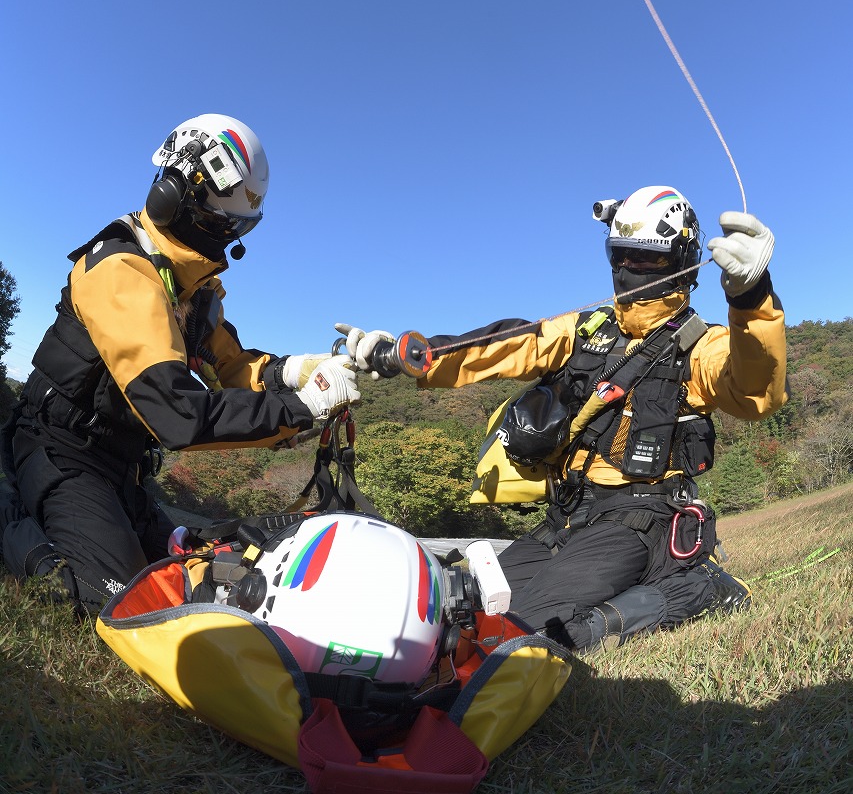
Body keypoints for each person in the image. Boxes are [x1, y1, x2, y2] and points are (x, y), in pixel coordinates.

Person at [342, 186, 787, 651]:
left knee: (523, 626)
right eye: (621, 256)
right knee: (459, 602)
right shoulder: (586, 330)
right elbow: (511, 343)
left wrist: (751, 296)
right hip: (567, 515)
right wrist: (413, 356)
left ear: (682, 263)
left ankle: (698, 588)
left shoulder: (701, 346)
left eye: (647, 259)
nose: (629, 270)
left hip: (639, 519)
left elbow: (756, 391)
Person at [0, 114, 365, 614]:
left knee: (189, 566)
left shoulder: (196, 289)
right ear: (172, 196)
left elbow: (236, 366)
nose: (224, 240)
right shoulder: (119, 270)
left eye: (236, 227)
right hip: (60, 450)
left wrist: (306, 369)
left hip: (119, 467)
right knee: (114, 605)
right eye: (220, 223)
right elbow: (178, 413)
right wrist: (300, 409)